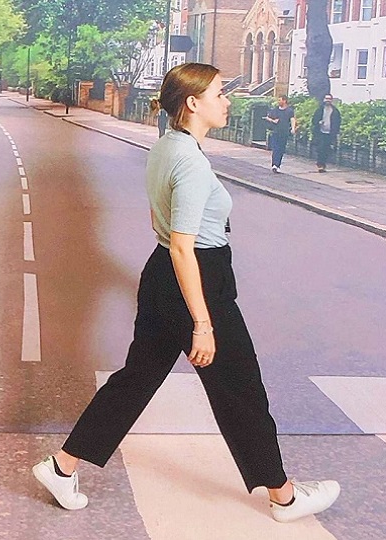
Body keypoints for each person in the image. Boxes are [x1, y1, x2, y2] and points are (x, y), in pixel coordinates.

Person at [32, 63, 340, 524]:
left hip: (163, 276)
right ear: (193, 103)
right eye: (220, 93)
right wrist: (202, 322)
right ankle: (284, 496)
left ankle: (63, 466)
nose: (228, 100)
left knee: (137, 378)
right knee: (241, 389)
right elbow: (183, 245)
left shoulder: (167, 146)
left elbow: (166, 233)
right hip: (194, 279)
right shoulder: (190, 162)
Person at [264, 95, 296, 173]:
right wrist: (273, 121)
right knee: (275, 148)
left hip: (284, 132)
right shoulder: (275, 110)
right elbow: (267, 117)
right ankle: (274, 164)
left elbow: (292, 119)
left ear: (284, 101)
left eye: (280, 100)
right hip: (275, 131)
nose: (278, 102)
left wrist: (293, 128)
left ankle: (278, 165)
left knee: (281, 149)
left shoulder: (289, 111)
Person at [311, 94, 341, 173]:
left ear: (331, 100)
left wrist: (336, 132)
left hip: (330, 133)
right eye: (326, 98)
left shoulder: (335, 111)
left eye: (329, 99)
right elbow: (314, 120)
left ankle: (323, 164)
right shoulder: (320, 109)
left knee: (326, 149)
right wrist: (319, 122)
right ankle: (320, 164)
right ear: (324, 99)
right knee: (320, 148)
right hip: (321, 132)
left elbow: (338, 122)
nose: (328, 100)